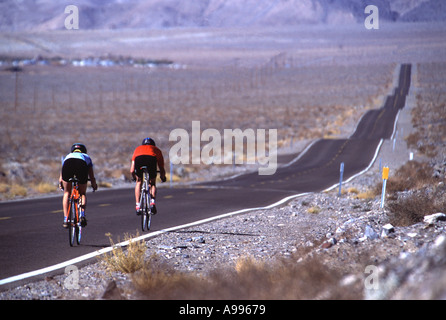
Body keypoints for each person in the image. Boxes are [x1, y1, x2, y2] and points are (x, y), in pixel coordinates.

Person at [59, 143, 98, 228]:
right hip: (81, 165)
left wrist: (61, 183)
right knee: (82, 193)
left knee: (66, 193)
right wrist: (94, 184)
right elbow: (91, 175)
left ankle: (66, 219)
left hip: (67, 165)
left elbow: (61, 174)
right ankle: (82, 216)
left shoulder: (68, 156)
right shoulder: (86, 157)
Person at [130, 137, 166, 215]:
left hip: (139, 159)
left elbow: (132, 170)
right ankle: (152, 202)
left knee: (139, 182)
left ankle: (137, 205)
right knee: (152, 183)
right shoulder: (156, 149)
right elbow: (161, 167)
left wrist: (134, 177)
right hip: (151, 160)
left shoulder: (138, 149)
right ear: (153, 145)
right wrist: (162, 177)